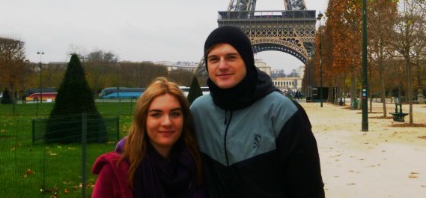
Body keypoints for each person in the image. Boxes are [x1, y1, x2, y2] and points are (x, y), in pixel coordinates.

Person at [191, 25, 325, 197]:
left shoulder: (284, 112)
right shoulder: (198, 111)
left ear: (247, 61)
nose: (222, 65)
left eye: (231, 57)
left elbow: (308, 187)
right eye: (214, 59)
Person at [91, 77, 205, 198]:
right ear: (143, 119)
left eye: (175, 114)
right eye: (156, 114)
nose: (167, 122)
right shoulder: (115, 171)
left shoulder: (197, 163)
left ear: (184, 119)